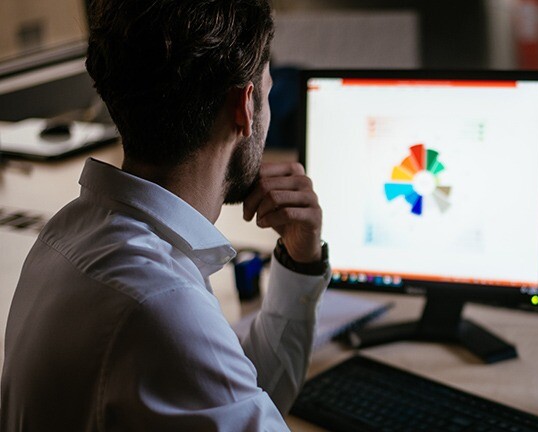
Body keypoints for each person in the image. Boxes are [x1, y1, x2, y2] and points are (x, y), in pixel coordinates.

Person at [0, 0, 328, 430]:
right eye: (265, 94)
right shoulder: (162, 307)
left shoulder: (67, 234)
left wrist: (299, 264)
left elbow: (235, 397)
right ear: (244, 108)